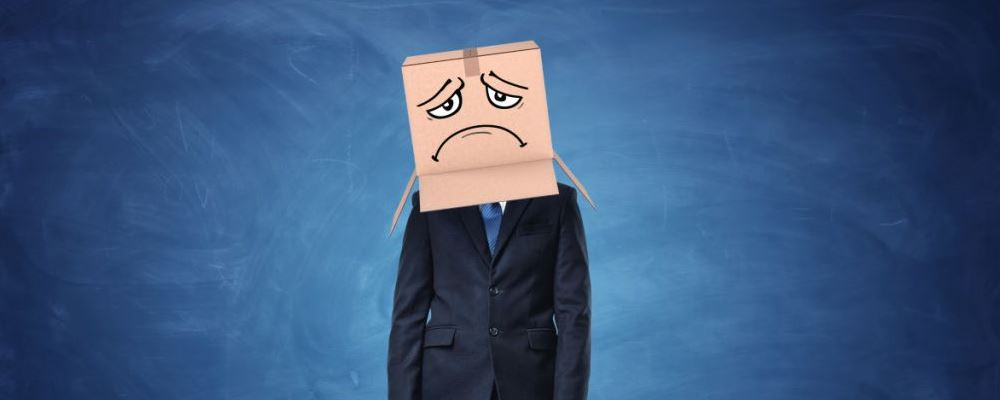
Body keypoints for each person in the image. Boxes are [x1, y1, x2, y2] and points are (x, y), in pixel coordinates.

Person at [388, 182, 591, 400]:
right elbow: (408, 314)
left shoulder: (557, 199)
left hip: (531, 380)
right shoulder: (430, 202)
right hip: (447, 380)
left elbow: (574, 313)